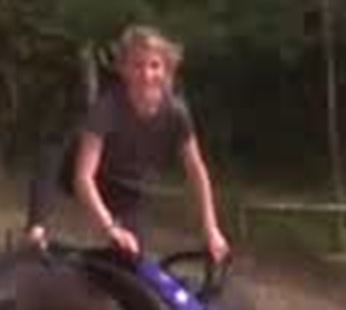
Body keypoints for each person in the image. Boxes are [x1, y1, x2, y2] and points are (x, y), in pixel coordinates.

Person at [24, 25, 232, 266]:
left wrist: (211, 228)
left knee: (131, 257)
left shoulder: (176, 113)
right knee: (52, 152)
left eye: (154, 65)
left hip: (124, 185)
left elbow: (197, 172)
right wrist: (109, 226)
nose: (146, 74)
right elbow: (83, 178)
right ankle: (35, 228)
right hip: (74, 172)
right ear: (123, 69)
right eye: (137, 65)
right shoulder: (107, 108)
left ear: (166, 70)